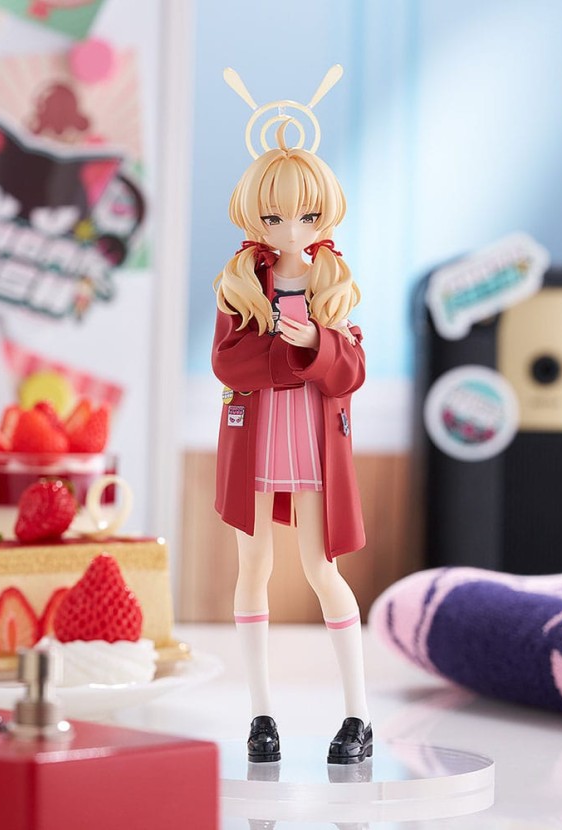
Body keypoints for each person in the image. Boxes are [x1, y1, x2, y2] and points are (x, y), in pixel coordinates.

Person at [211, 116, 372, 765]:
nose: (289, 230)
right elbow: (228, 363)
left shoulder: (333, 281)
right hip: (255, 436)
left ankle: (358, 714)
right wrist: (292, 353)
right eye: (274, 218)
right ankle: (261, 714)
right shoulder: (240, 283)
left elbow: (352, 371)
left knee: (320, 568)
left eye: (304, 216)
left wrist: (317, 345)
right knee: (253, 567)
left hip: (312, 439)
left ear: (322, 213)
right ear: (255, 216)